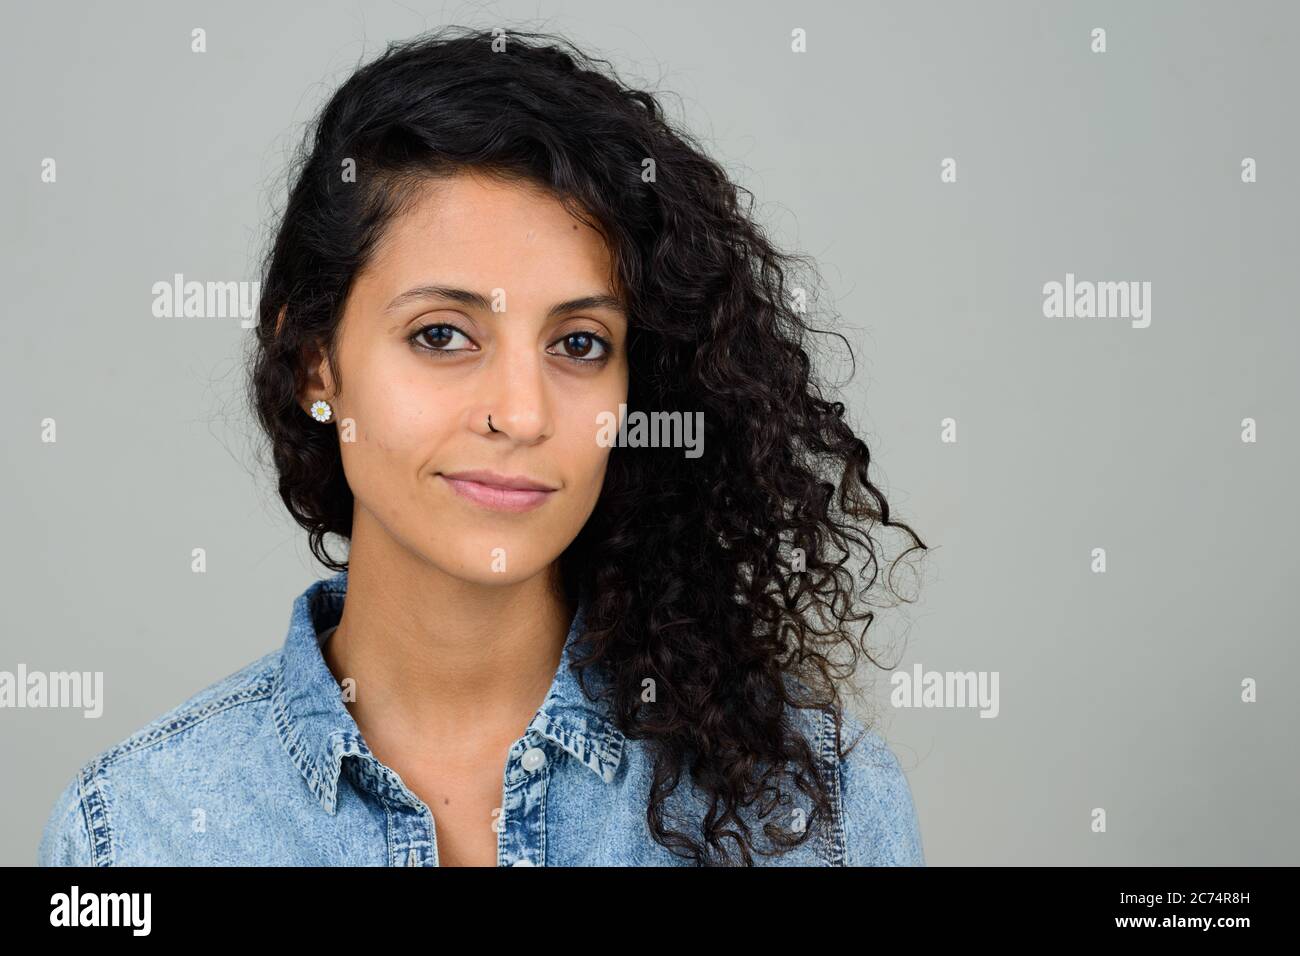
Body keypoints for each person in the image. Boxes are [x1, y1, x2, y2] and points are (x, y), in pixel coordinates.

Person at [38, 25, 928, 867]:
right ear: (315, 361)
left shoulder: (819, 809)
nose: (520, 413)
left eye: (579, 343)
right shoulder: (134, 833)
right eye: (441, 334)